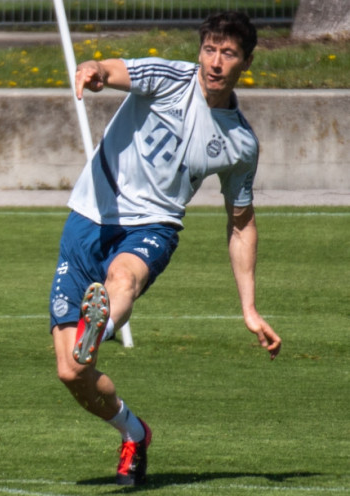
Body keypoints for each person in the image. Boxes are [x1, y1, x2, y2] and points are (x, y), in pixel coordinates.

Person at [48, 11, 282, 487]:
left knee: (124, 279)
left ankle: (102, 325)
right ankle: (135, 432)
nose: (216, 62)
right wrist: (92, 70)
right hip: (89, 214)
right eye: (210, 49)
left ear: (246, 61)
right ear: (200, 50)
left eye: (229, 53)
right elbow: (112, 70)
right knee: (72, 372)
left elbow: (241, 223)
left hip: (153, 226)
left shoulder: (239, 142)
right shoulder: (168, 77)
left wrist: (250, 307)